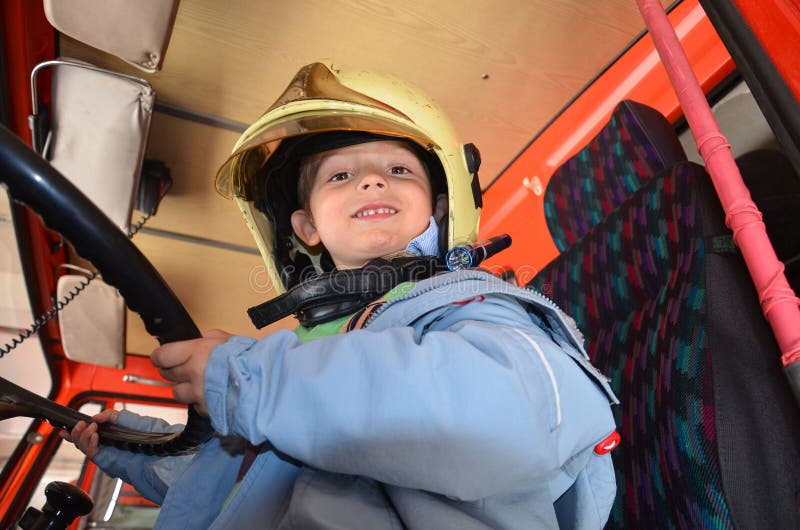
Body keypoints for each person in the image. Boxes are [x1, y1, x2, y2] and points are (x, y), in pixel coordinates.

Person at [62, 62, 618, 529]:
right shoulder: (309, 366)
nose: (372, 181)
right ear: (306, 227)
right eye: (340, 176)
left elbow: (499, 416)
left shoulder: (479, 310)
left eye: (398, 168)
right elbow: (237, 489)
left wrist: (252, 380)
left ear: (441, 208)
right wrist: (126, 446)